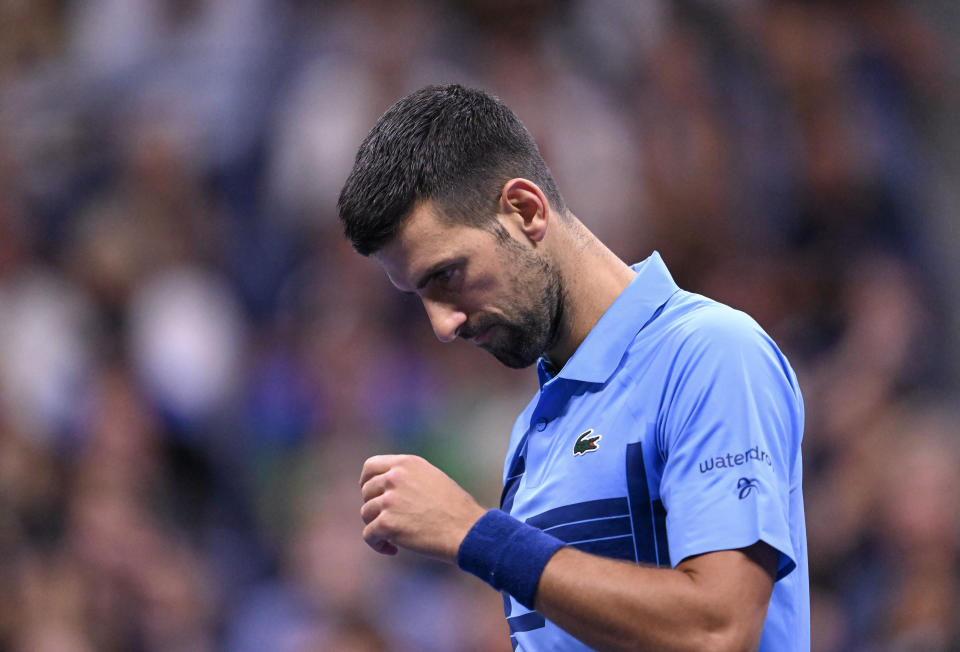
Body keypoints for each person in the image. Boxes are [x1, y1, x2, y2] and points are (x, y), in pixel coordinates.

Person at [338, 84, 809, 652]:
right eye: (418, 294)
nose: (442, 324)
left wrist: (473, 532)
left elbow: (718, 628)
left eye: (446, 275)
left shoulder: (709, 353)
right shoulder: (532, 431)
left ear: (525, 211)